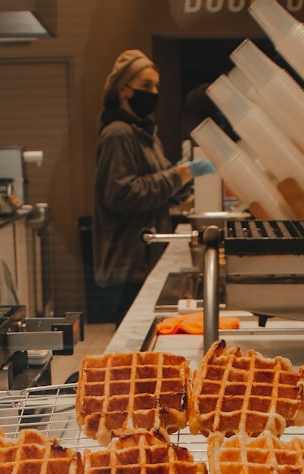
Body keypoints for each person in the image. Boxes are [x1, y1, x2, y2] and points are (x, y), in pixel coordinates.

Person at [93, 49, 213, 325]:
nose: (154, 92)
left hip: (143, 260)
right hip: (127, 265)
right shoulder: (118, 133)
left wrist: (184, 179)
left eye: (157, 86)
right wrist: (179, 174)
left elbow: (158, 189)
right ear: (124, 89)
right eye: (146, 86)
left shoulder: (146, 134)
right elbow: (121, 194)